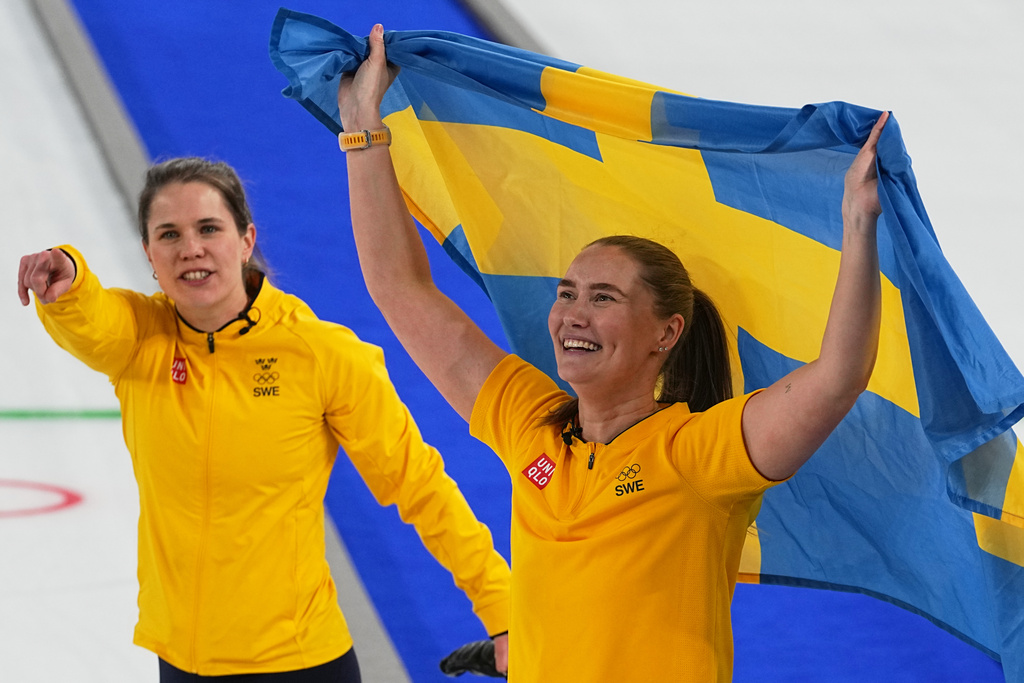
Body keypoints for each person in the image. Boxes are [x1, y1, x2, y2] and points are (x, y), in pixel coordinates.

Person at [335, 23, 889, 683]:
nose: (572, 313)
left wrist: (858, 222)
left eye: (603, 298)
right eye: (567, 292)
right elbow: (400, 289)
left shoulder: (697, 455)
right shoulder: (529, 423)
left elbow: (837, 378)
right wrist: (362, 128)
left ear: (667, 332)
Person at [17, 157, 510, 681]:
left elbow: (420, 486)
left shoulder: (321, 354)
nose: (191, 249)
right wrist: (69, 282)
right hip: (182, 662)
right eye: (169, 235)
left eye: (209, 228)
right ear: (149, 256)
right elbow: (93, 321)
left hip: (297, 662)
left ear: (247, 239)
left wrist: (502, 612)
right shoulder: (140, 339)